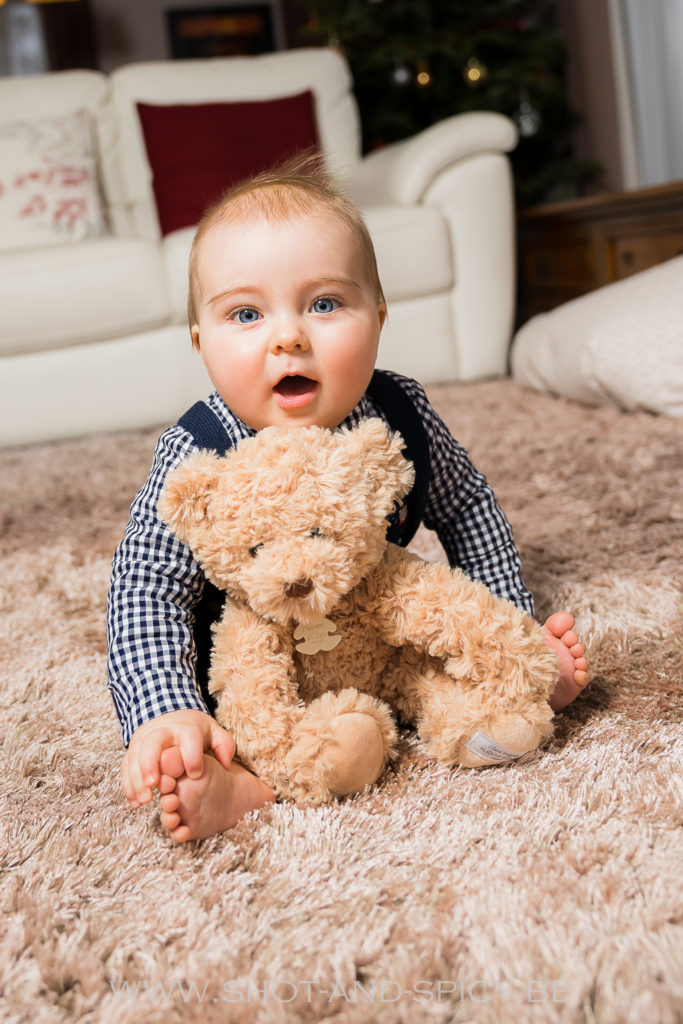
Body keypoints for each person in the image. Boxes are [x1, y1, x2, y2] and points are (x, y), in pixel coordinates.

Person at [107, 158, 589, 843]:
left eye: (324, 303)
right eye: (245, 314)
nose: (288, 336)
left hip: (370, 631)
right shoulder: (198, 452)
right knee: (227, 715)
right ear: (201, 343)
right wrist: (165, 710)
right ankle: (241, 779)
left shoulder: (398, 415)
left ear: (378, 316)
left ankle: (514, 689)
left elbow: (467, 510)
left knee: (436, 650)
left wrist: (506, 628)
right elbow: (145, 589)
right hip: (255, 654)